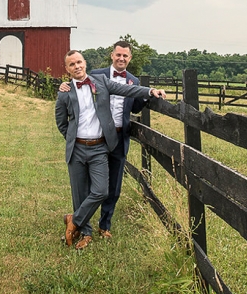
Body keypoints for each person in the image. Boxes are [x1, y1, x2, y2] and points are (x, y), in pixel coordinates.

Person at [55, 50, 166, 250]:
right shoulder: (65, 91)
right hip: (77, 149)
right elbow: (61, 121)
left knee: (100, 190)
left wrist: (150, 91)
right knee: (79, 193)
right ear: (67, 69)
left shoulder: (102, 82)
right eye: (72, 64)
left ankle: (74, 219)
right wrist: (72, 139)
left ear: (85, 63)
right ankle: (85, 232)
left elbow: (128, 91)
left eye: (79, 62)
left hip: (99, 148)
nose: (77, 67)